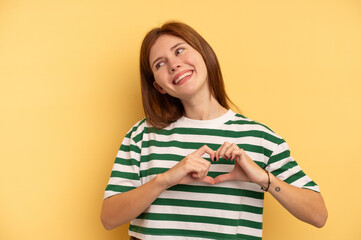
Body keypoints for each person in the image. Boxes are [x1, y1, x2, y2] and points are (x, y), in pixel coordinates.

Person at [100, 21, 328, 240]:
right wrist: (166, 179)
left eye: (179, 51)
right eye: (159, 64)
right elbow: (109, 218)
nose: (173, 65)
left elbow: (318, 215)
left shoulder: (260, 138)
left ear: (204, 54)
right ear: (159, 86)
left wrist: (261, 177)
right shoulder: (142, 135)